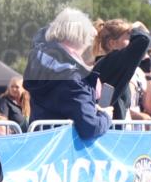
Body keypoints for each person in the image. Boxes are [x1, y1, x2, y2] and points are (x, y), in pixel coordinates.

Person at [24, 8, 112, 139]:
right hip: (64, 153)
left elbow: (42, 33)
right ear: (81, 37)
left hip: (41, 146)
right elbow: (90, 127)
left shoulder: (41, 59)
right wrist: (105, 115)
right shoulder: (72, 77)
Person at [92, 19, 151, 120]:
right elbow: (143, 39)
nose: (132, 41)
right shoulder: (112, 62)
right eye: (129, 36)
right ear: (112, 43)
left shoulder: (108, 62)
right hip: (110, 131)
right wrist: (135, 27)